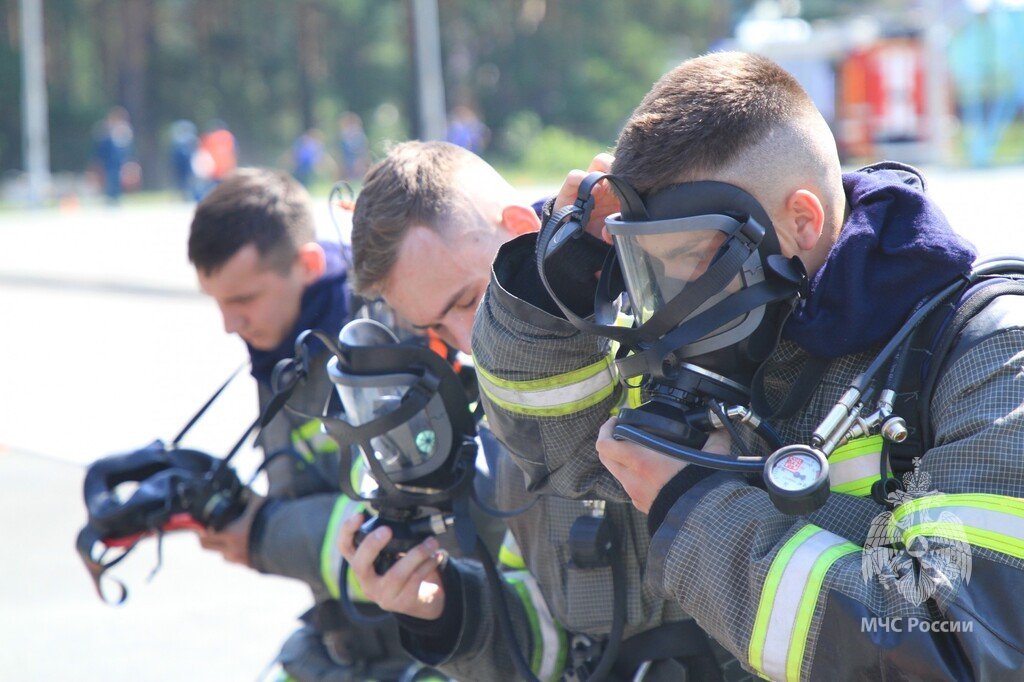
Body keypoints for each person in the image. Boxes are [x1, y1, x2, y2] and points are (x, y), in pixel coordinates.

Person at [474, 51, 1024, 679]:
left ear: (802, 221)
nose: (666, 308)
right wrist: (557, 285)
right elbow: (559, 453)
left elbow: (959, 651)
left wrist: (700, 504)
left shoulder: (989, 358)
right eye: (647, 264)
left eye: (689, 255)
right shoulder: (725, 329)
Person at [343, 140, 747, 680]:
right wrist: (444, 611)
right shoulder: (502, 418)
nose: (466, 341)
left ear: (517, 227)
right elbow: (553, 636)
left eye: (467, 301)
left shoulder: (685, 308)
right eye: (434, 329)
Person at [188, 168, 412, 681]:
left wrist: (265, 532)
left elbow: (412, 531)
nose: (229, 324)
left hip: (428, 653)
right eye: (218, 302)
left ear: (308, 265)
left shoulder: (385, 335)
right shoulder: (281, 344)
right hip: (347, 642)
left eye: (243, 300)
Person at [92, 106, 134, 204]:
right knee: (110, 179)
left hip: (118, 162)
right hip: (109, 162)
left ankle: (115, 197)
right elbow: (101, 148)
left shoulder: (124, 132)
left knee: (116, 180)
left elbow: (126, 150)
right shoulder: (106, 131)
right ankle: (111, 197)